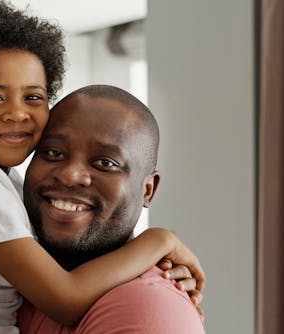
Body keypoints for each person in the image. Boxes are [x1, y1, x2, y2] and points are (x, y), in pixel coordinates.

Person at [0, 2, 204, 333]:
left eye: (32, 97)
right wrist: (159, 240)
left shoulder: (2, 181)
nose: (17, 113)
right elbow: (66, 299)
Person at [19, 84, 206, 333]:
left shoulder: (145, 308)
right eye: (54, 152)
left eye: (105, 163)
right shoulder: (9, 271)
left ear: (147, 189)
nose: (70, 175)